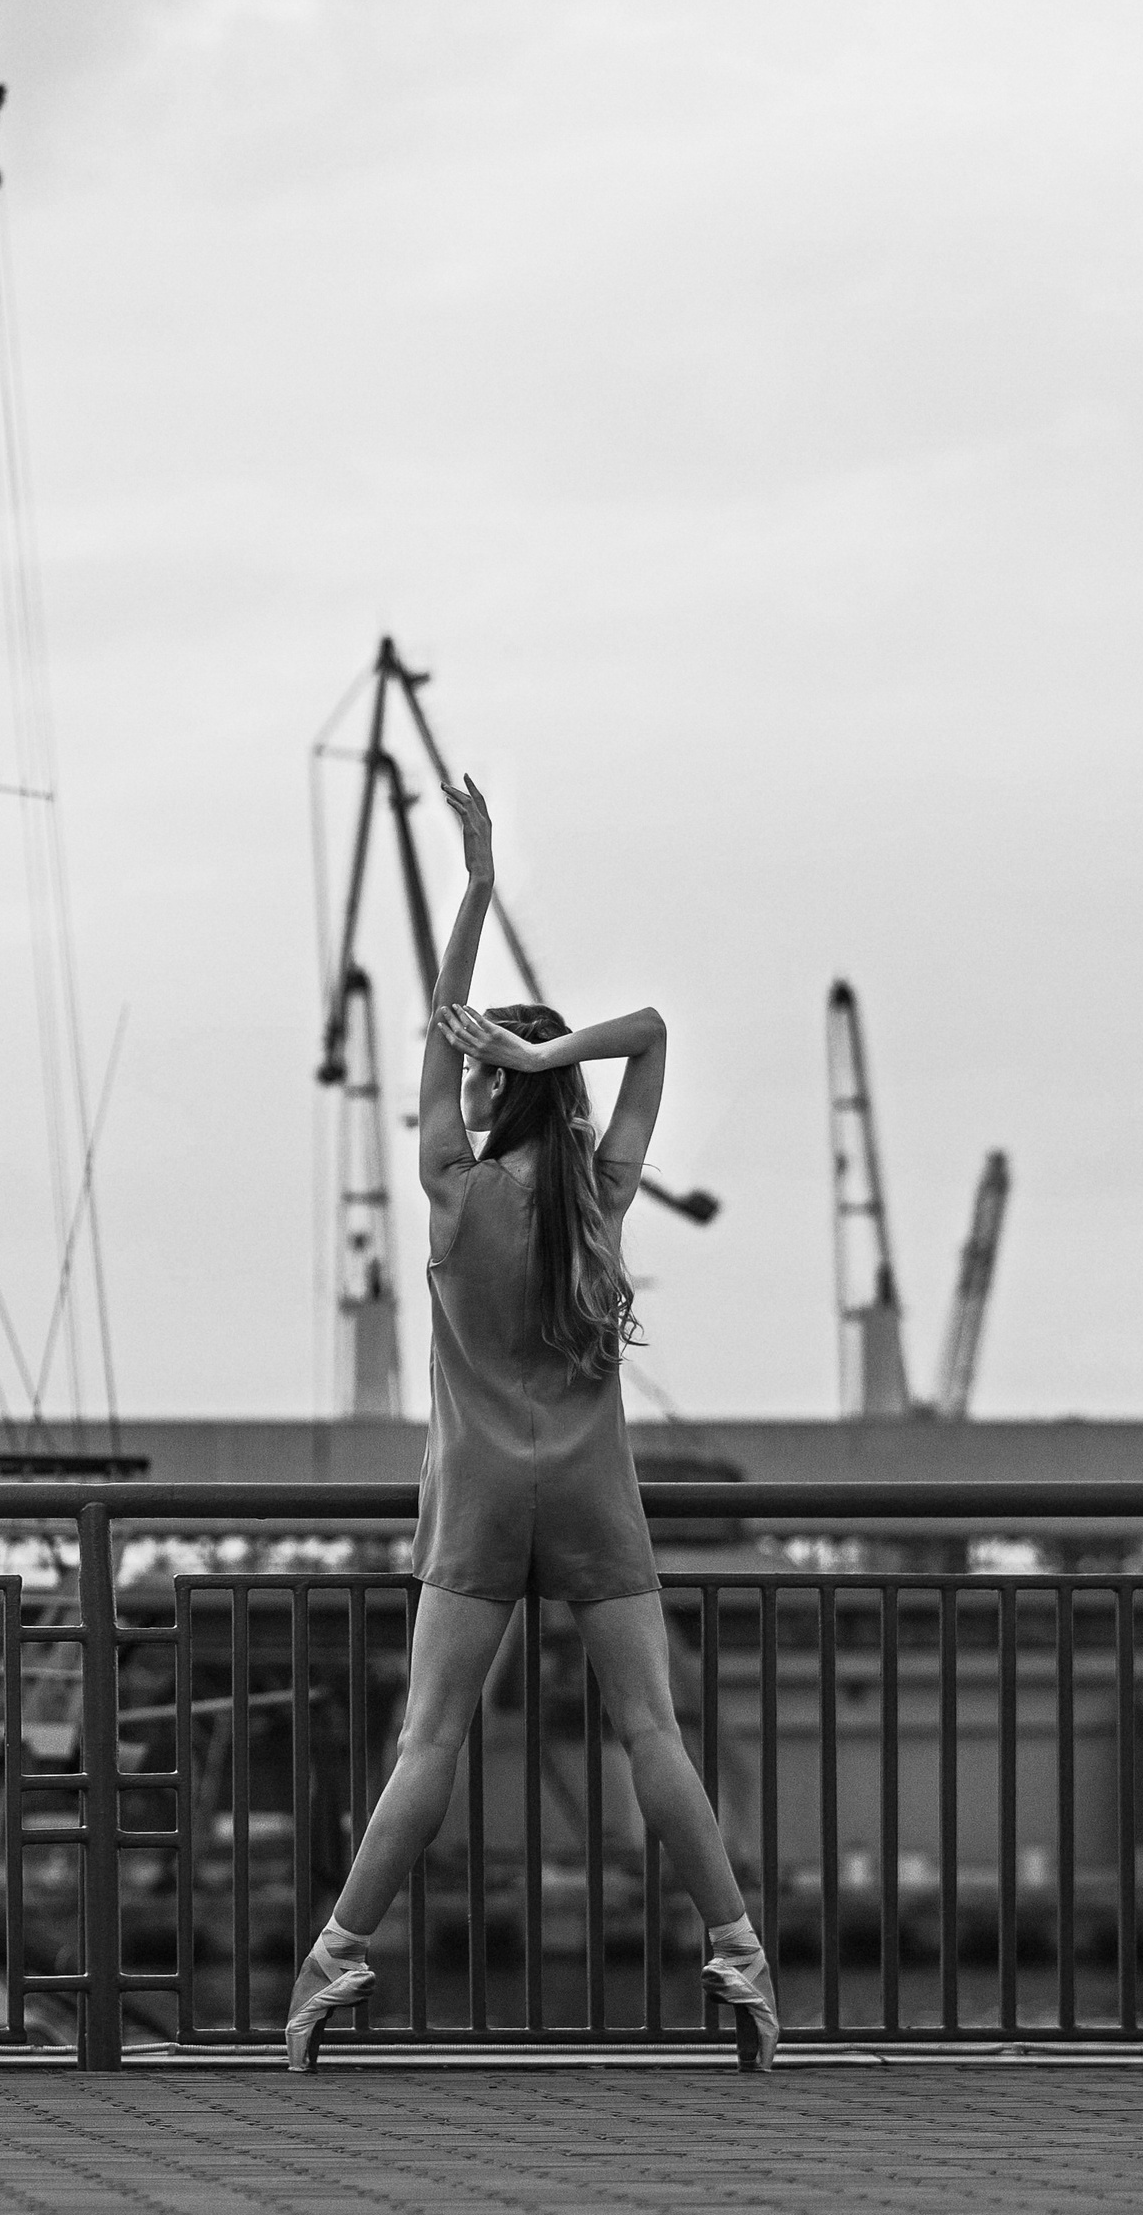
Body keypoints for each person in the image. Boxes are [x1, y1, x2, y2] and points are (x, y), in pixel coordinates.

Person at [285, 777, 779, 2073]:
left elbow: (435, 1035)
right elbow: (657, 1029)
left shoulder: (453, 1186)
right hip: (594, 1501)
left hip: (479, 1500)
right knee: (650, 1733)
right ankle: (736, 1948)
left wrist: (478, 884)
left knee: (428, 1740)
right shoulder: (603, 1197)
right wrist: (556, 1055)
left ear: (486, 1092)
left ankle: (335, 1955)